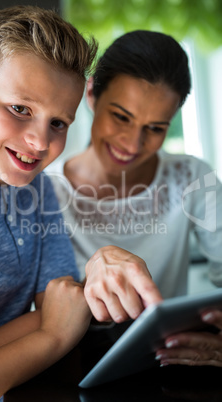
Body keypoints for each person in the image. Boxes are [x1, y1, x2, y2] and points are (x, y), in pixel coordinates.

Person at [0, 7, 163, 400]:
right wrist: (49, 335)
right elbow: (56, 324)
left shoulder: (38, 190)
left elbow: (63, 305)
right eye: (19, 109)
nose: (40, 142)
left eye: (58, 123)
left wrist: (94, 270)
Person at [49, 30, 222, 367]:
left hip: (169, 365)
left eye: (155, 128)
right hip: (69, 369)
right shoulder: (44, 189)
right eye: (121, 116)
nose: (132, 143)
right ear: (91, 94)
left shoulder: (192, 178)